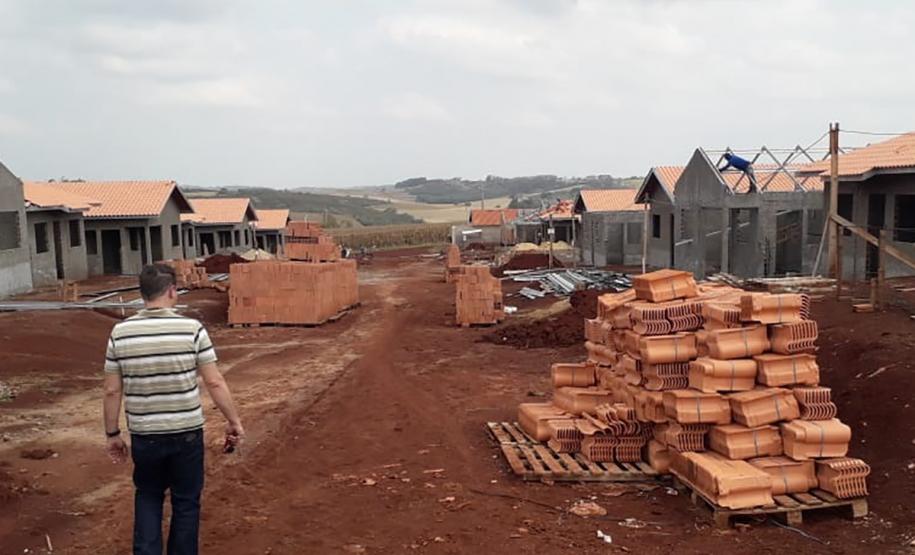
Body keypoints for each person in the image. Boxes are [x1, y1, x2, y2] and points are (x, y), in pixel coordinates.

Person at [103, 263, 244, 555]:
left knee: (149, 496)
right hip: (186, 434)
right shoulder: (191, 329)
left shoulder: (120, 333)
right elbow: (214, 382)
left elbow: (112, 389)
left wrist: (112, 433)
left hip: (145, 435)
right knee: (186, 501)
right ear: (172, 290)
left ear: (142, 294)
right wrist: (233, 421)